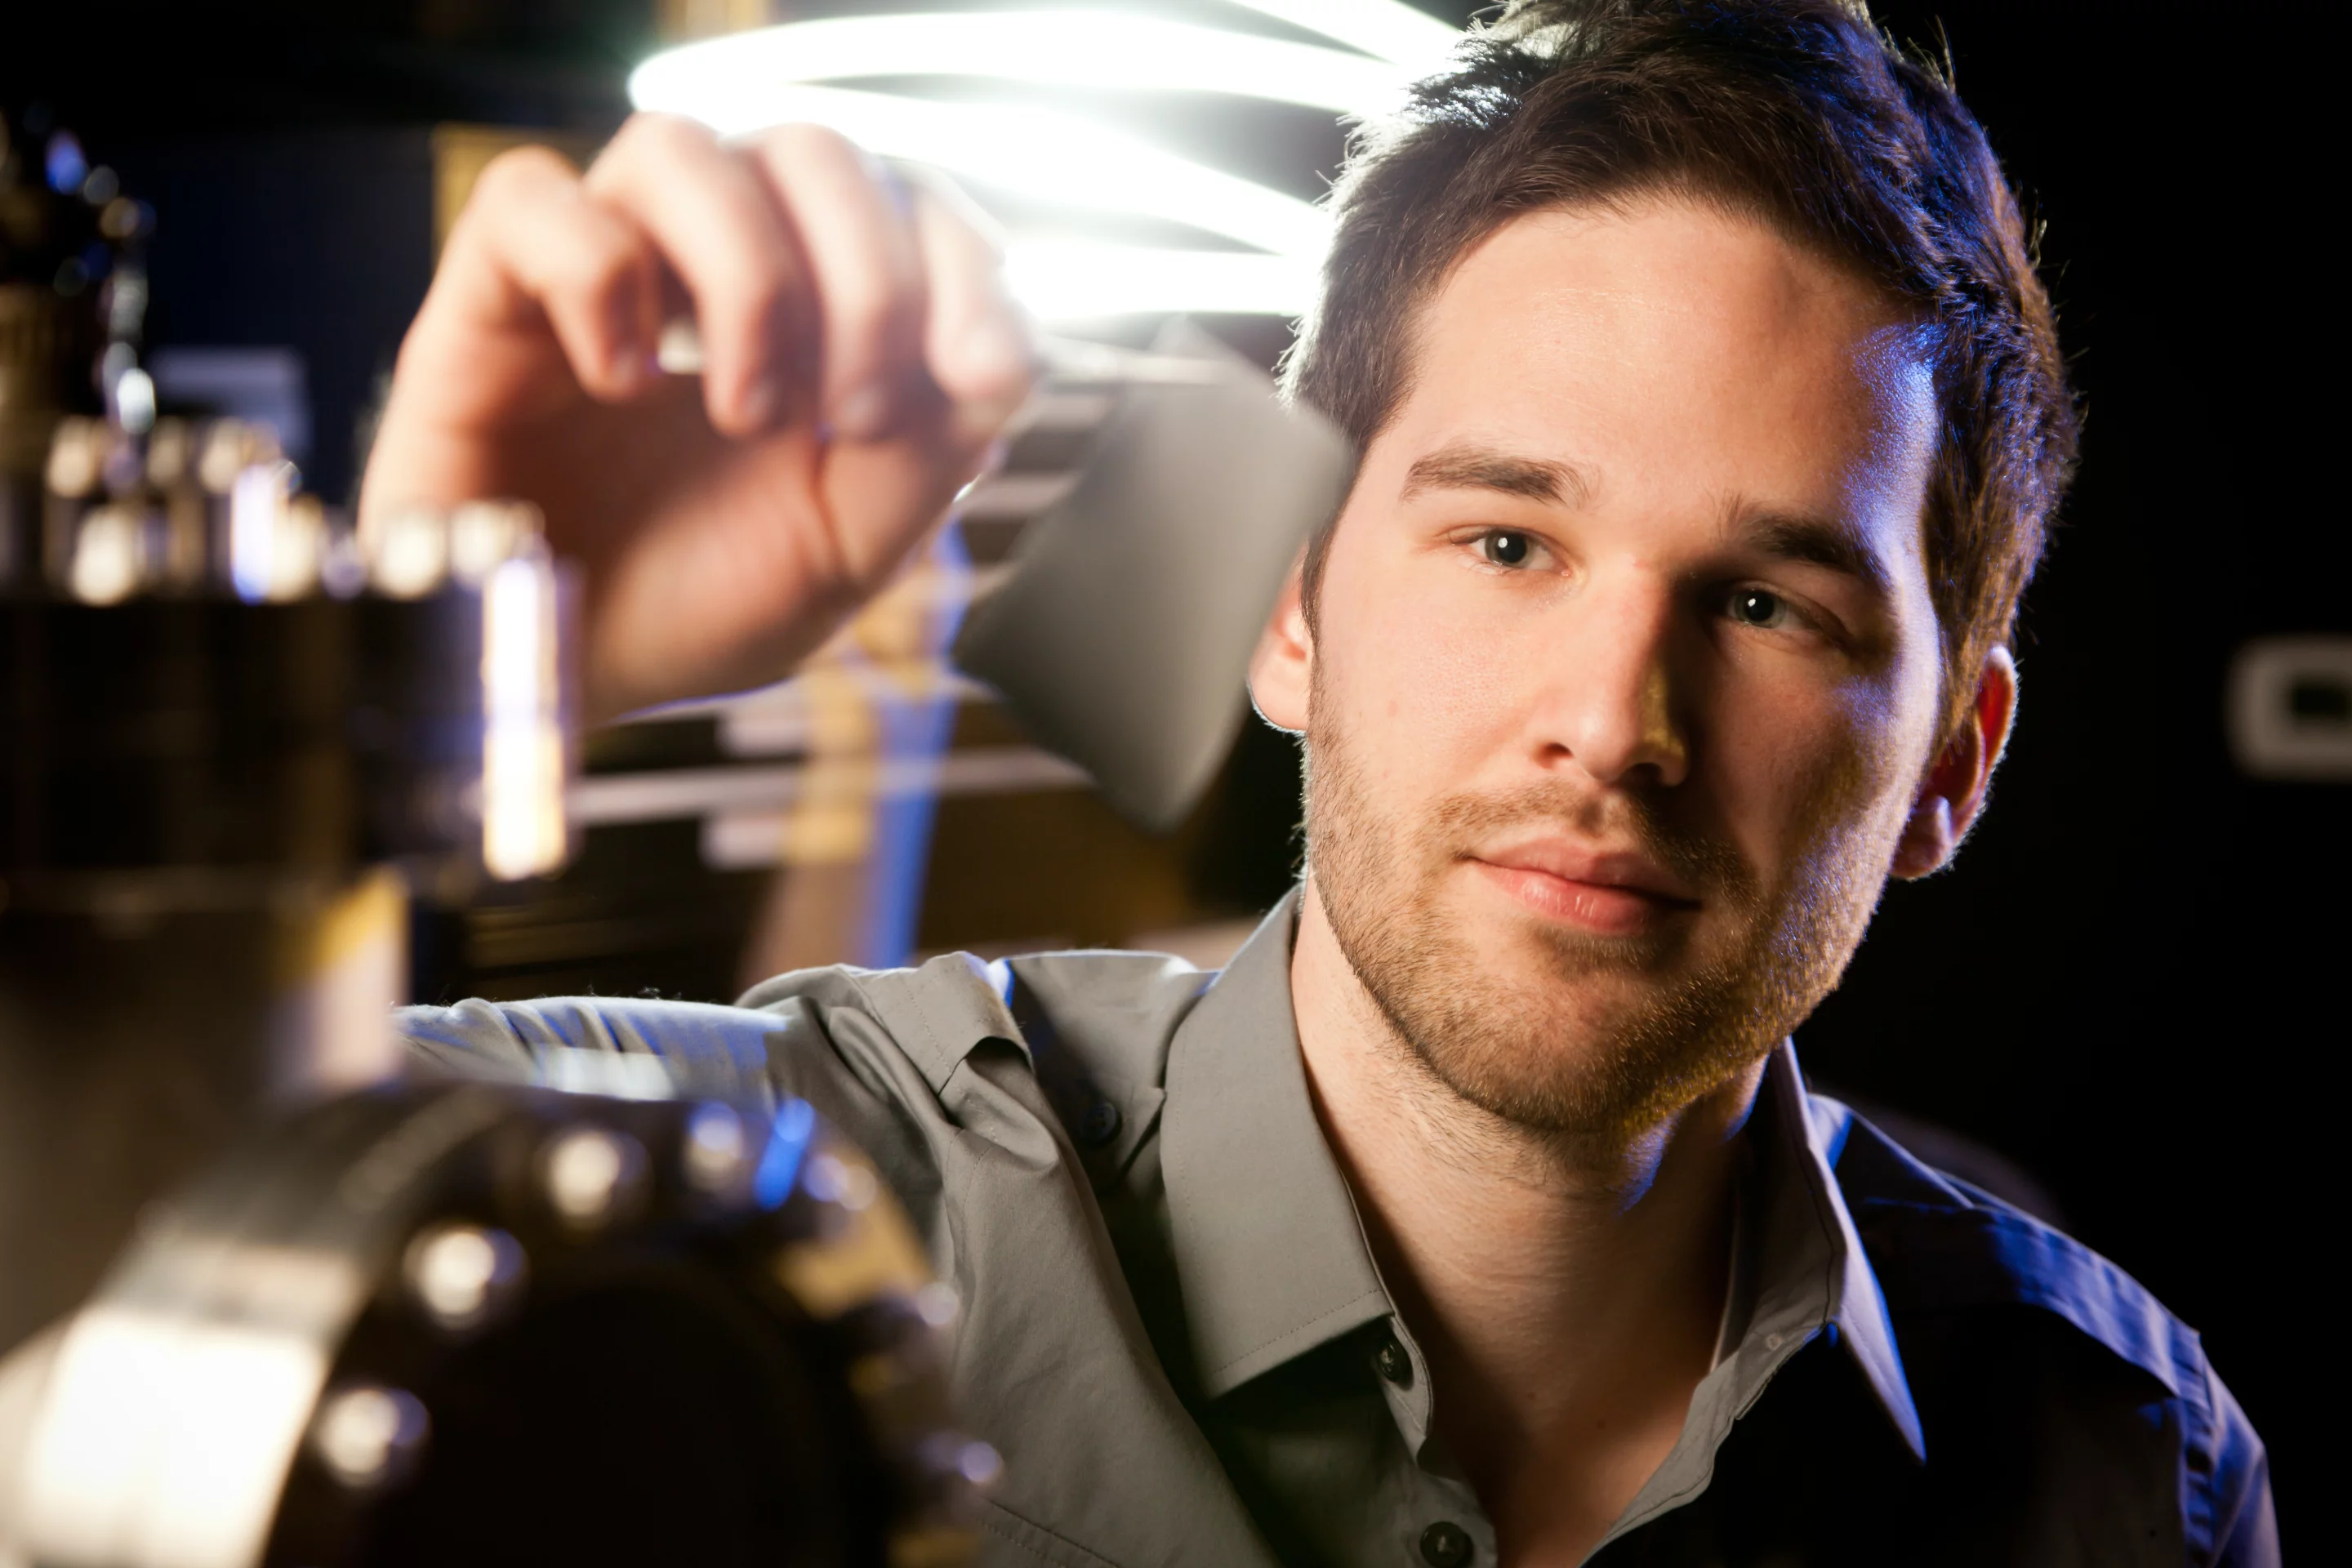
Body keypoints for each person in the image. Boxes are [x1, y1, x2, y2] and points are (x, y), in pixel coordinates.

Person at [381, 0, 2277, 1561]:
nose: (1615, 722)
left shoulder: (2128, 1466)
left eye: (1772, 602)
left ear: (1955, 763)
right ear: (1290, 607)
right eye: (1508, 543)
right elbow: (121, 1250)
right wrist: (399, 677)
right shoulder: (794, 1209)